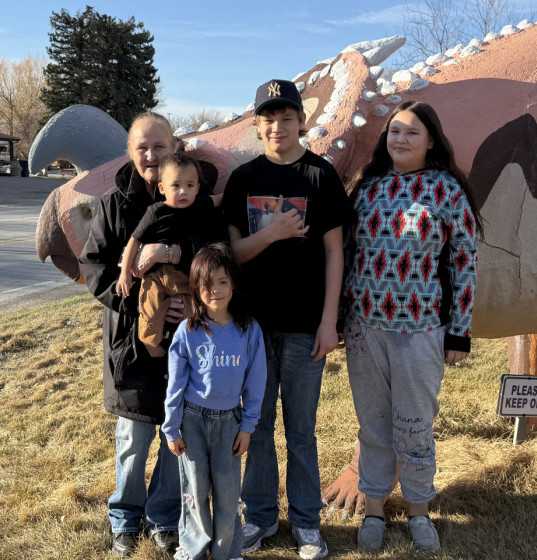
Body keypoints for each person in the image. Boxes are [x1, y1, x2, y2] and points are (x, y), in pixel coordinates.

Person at [342, 100, 482, 552]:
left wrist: (459, 331)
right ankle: (374, 509)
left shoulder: (446, 191)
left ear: (431, 141)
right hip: (365, 330)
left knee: (415, 425)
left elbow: (464, 263)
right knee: (373, 426)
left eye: (412, 132)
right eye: (394, 131)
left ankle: (419, 510)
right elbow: (347, 255)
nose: (400, 139)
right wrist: (341, 317)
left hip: (420, 331)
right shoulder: (366, 188)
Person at [79, 111, 219, 558]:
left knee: (175, 437)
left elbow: (216, 254)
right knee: (133, 441)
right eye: (142, 147)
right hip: (131, 345)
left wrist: (178, 263)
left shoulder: (197, 199)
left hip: (187, 341)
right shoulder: (113, 204)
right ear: (130, 151)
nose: (152, 155)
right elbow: (94, 268)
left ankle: (163, 516)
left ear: (174, 146)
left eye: (160, 146)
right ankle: (124, 518)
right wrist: (141, 303)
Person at [222, 79, 351, 560]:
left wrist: (329, 321)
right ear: (257, 126)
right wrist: (272, 232)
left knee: (301, 431)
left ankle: (305, 522)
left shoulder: (320, 175)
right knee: (254, 427)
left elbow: (335, 252)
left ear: (301, 121)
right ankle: (259, 517)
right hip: (251, 329)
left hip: (304, 329)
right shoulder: (244, 179)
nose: (278, 126)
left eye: (287, 117)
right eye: (269, 119)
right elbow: (231, 254)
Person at [162, 243, 267, 560]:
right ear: (196, 288)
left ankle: (228, 551)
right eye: (207, 285)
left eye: (222, 282)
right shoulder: (188, 331)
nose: (215, 291)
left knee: (227, 491)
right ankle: (192, 548)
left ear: (233, 283)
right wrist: (171, 428)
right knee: (194, 490)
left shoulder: (248, 330)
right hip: (191, 422)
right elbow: (175, 384)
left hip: (230, 423)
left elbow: (256, 382)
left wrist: (248, 426)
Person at [116, 152, 223, 358]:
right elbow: (133, 241)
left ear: (197, 188)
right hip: (156, 276)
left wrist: (241, 190)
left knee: (193, 310)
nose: (183, 191)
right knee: (151, 309)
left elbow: (219, 199)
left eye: (190, 185)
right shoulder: (155, 212)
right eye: (176, 186)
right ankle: (150, 343)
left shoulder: (199, 205)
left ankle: (194, 349)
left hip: (185, 276)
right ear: (162, 188)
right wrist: (124, 274)